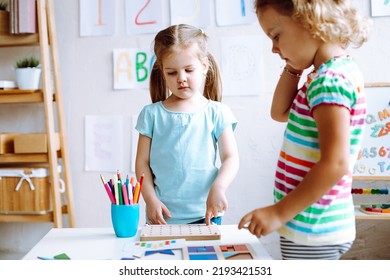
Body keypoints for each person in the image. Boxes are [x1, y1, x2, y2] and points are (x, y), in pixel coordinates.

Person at [238, 0, 370, 260]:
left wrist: (278, 212)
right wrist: (293, 66)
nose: (274, 48)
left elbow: (336, 162)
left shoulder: (328, 81)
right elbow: (279, 112)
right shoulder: (327, 75)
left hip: (314, 227)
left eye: (276, 36)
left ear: (312, 22)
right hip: (312, 223)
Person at [135, 24, 239, 225]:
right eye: (172, 73)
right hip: (162, 216)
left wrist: (219, 187)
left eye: (188, 70)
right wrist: (150, 200)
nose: (181, 79)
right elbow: (142, 163)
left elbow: (231, 157)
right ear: (162, 72)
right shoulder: (151, 114)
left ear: (204, 67)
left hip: (207, 215)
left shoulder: (217, 112)